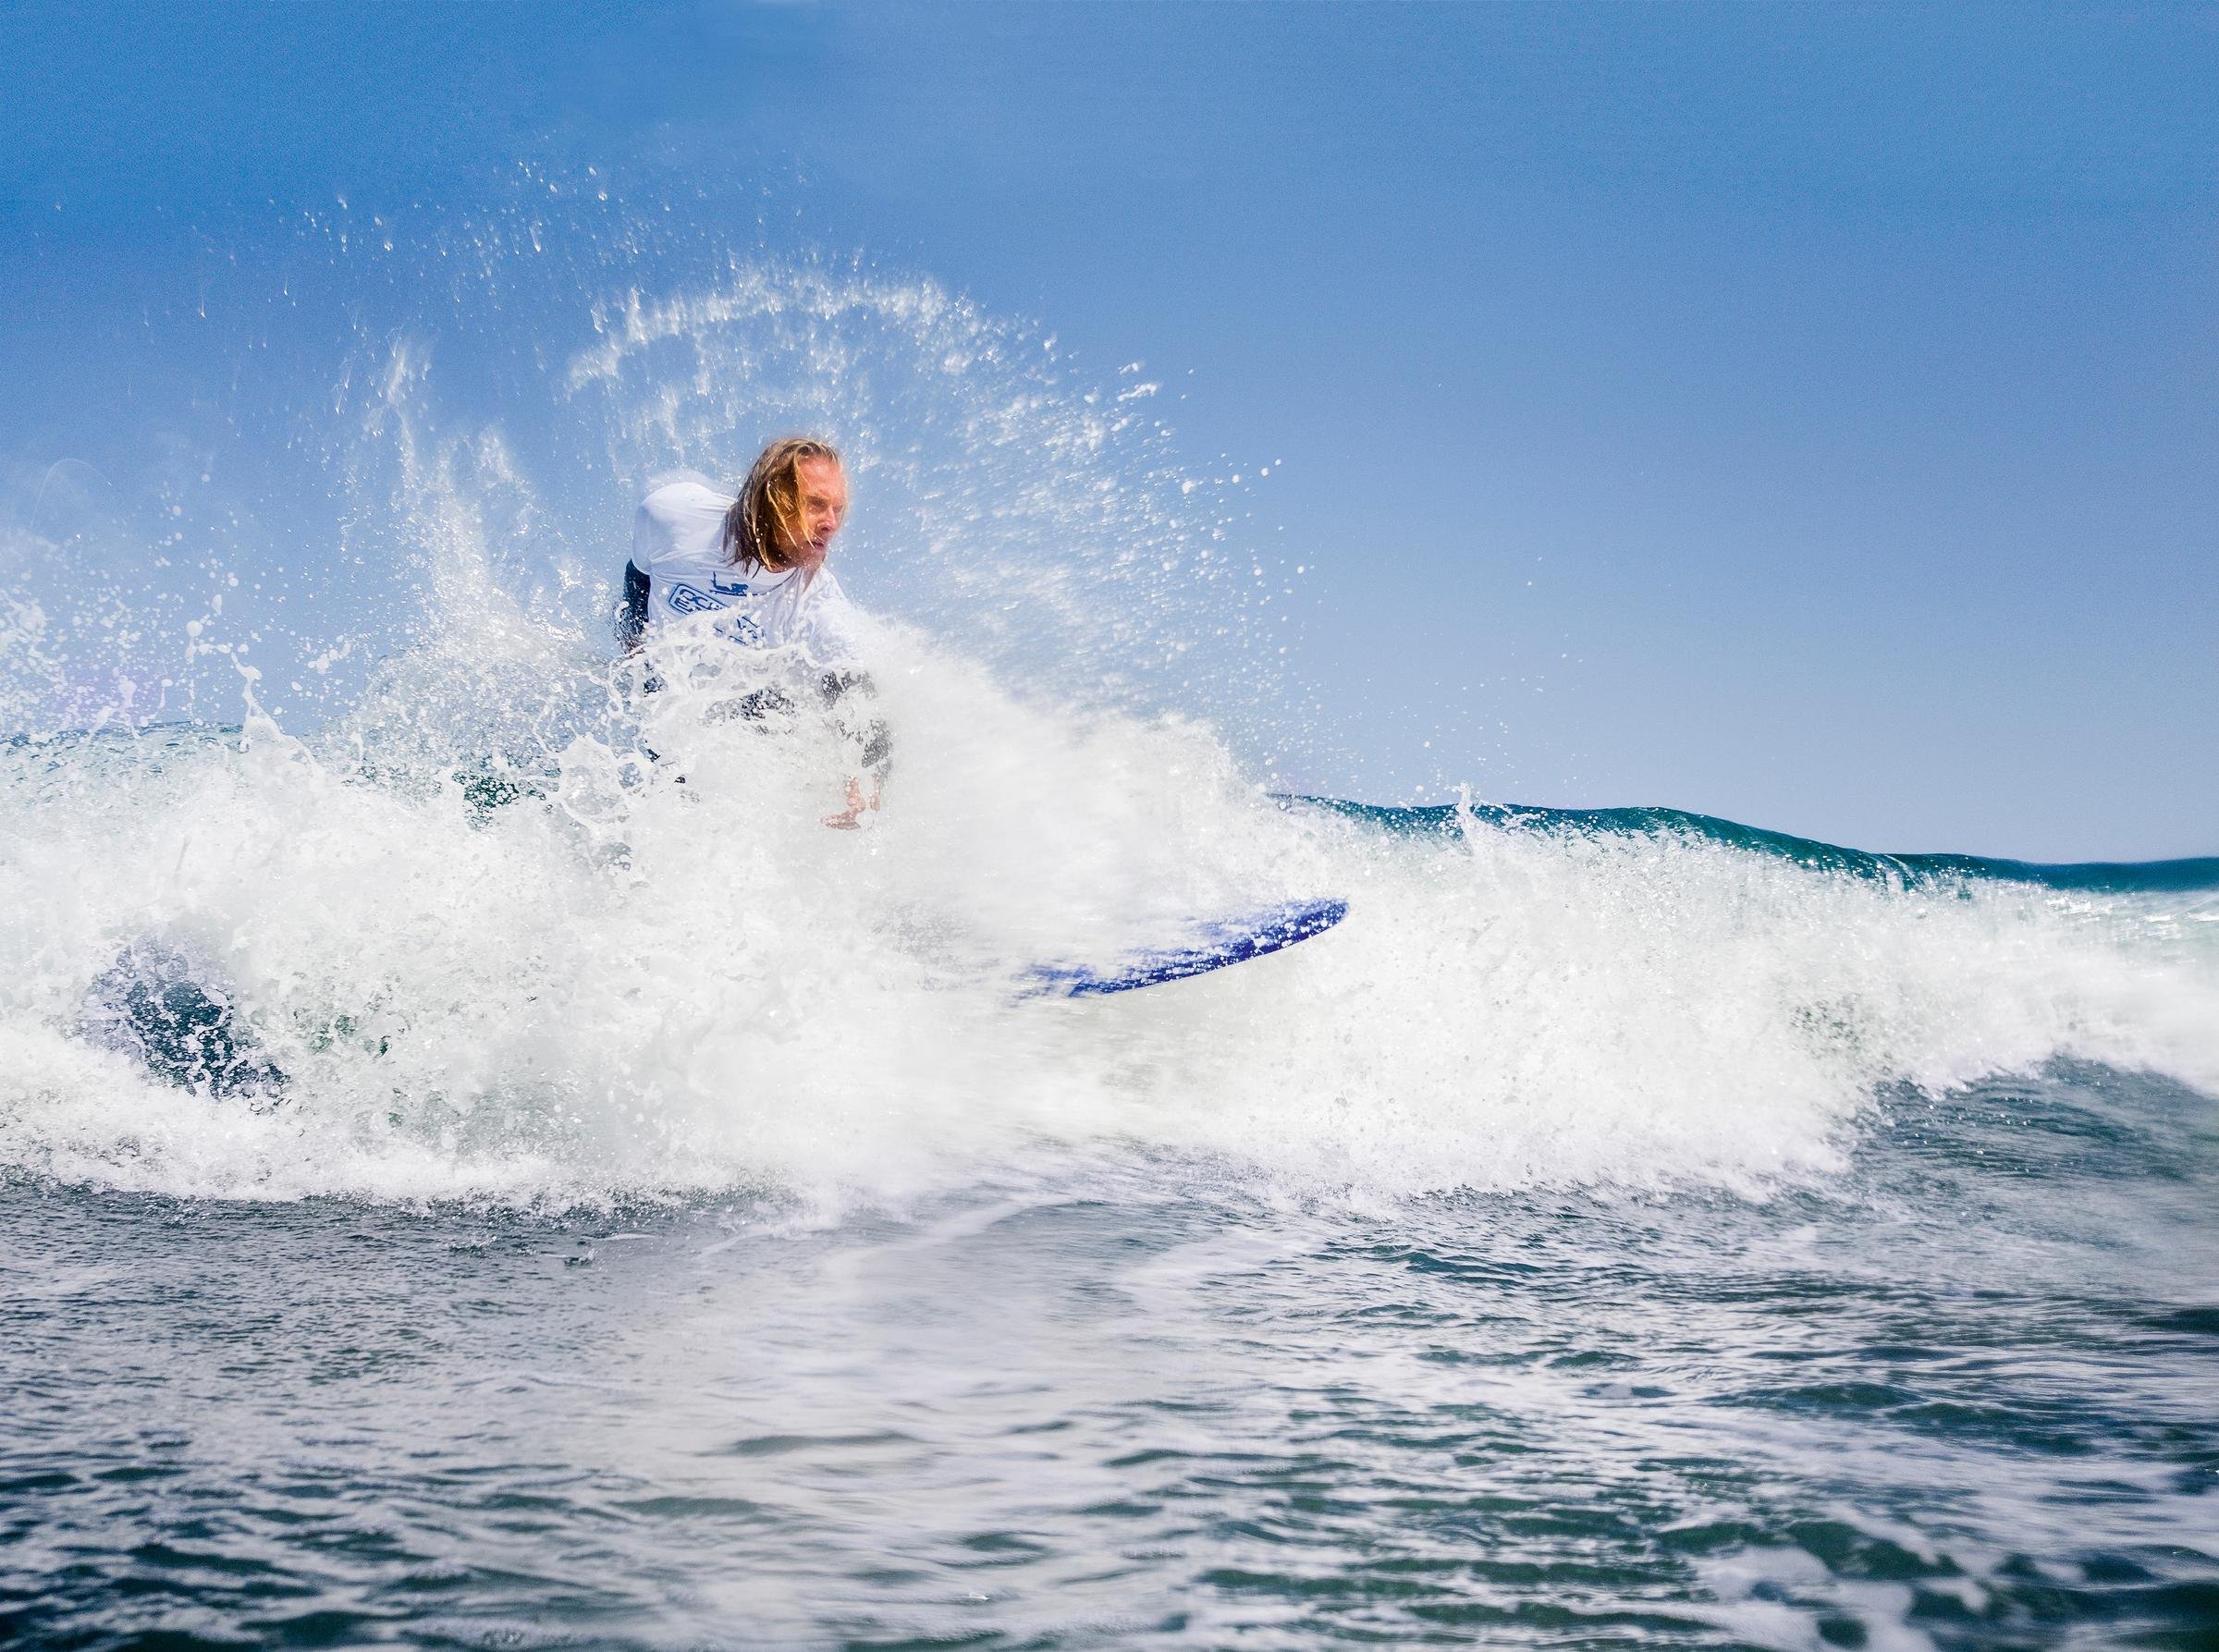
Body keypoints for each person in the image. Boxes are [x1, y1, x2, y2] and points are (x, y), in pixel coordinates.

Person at [619, 437, 891, 828]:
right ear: (772, 495)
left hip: (753, 698)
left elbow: (851, 685)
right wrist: (632, 639)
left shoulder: (816, 598)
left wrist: (869, 771)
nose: (831, 523)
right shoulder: (672, 517)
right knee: (667, 802)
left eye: (838, 510)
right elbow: (637, 577)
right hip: (670, 691)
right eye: (816, 504)